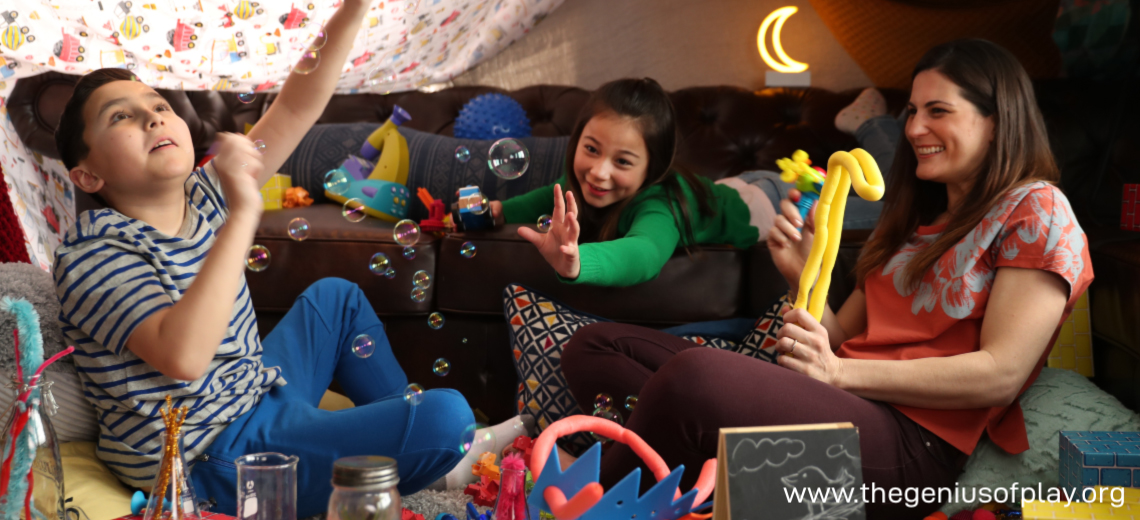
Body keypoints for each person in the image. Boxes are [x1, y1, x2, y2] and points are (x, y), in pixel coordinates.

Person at [560, 39, 1093, 519]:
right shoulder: (913, 221)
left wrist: (838, 376)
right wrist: (799, 273)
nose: (912, 128)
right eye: (911, 111)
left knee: (694, 377)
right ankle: (717, 468)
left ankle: (591, 505)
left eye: (938, 111)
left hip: (913, 449)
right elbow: (843, 340)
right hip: (844, 404)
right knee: (593, 346)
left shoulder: (1035, 209)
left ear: (997, 120)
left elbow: (1001, 373)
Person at [50, 2, 471, 515]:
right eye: (121, 116)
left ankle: (395, 433)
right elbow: (183, 357)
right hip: (211, 458)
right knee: (450, 418)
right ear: (88, 176)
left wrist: (353, 11)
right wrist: (245, 211)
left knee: (335, 299)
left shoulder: (204, 195)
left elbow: (295, 107)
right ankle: (430, 451)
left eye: (157, 103)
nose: (153, 115)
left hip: (258, 395)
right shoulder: (93, 253)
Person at [487, 78, 773, 287]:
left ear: (652, 168)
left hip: (765, 204)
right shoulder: (581, 180)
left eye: (622, 161)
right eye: (591, 149)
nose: (598, 172)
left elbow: (645, 252)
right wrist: (498, 211)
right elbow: (551, 196)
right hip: (731, 187)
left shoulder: (662, 204)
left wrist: (578, 260)